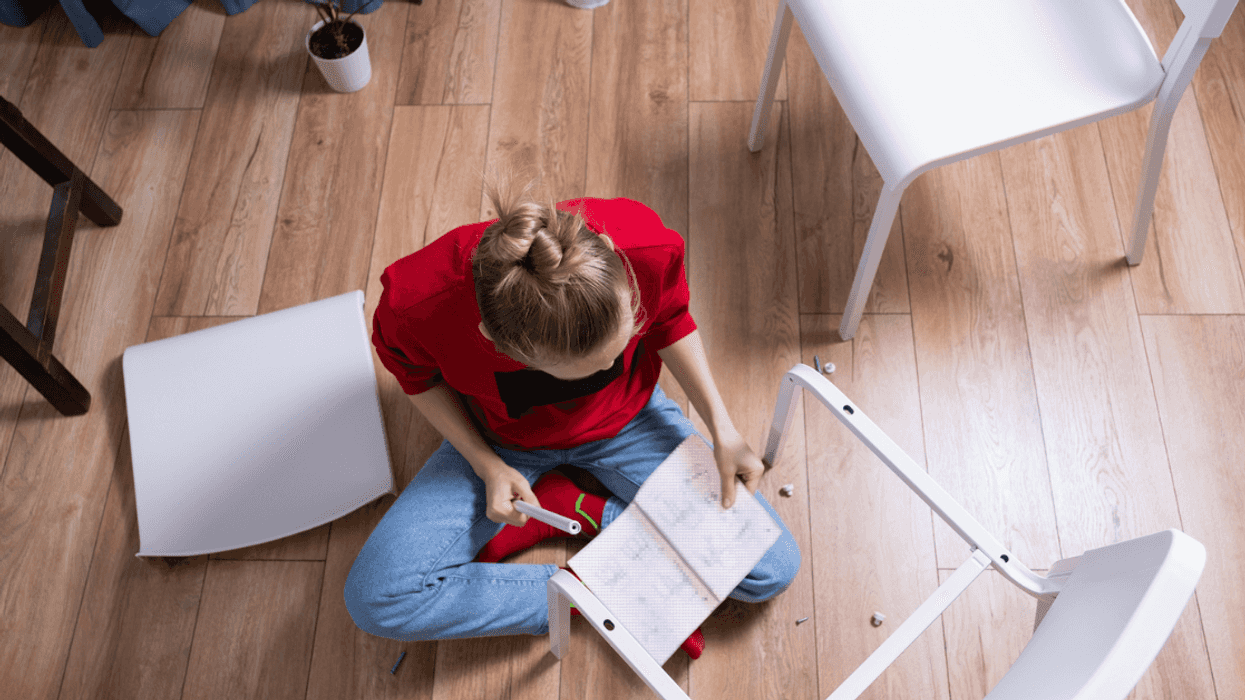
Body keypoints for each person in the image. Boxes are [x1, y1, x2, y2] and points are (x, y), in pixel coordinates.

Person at [343, 180, 801, 659]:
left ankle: (573, 512)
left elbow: (671, 318)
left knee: (771, 568)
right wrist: (485, 464)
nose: (610, 369)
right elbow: (416, 379)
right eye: (586, 370)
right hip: (500, 443)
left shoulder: (642, 244)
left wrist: (721, 428)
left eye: (620, 348)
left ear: (612, 259)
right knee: (378, 600)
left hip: (629, 424)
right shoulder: (417, 304)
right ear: (495, 343)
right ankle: (589, 550)